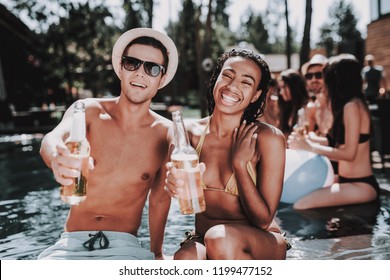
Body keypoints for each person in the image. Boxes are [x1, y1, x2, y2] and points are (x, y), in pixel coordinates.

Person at [37, 28, 178, 259]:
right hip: (70, 244)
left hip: (125, 247)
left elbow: (160, 199)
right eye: (133, 63)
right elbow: (52, 139)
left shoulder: (166, 133)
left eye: (152, 68)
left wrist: (158, 252)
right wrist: (56, 156)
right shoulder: (88, 110)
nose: (140, 73)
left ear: (161, 79)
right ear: (121, 68)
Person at [165, 48, 289, 260]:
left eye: (246, 82)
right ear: (216, 79)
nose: (232, 86)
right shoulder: (187, 135)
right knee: (185, 258)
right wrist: (172, 184)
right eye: (228, 75)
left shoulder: (268, 139)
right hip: (204, 237)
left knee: (219, 238)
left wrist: (240, 165)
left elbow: (263, 220)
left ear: (256, 95)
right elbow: (165, 192)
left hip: (261, 241)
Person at [288, 54, 380, 210]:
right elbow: (339, 143)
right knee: (299, 198)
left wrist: (309, 146)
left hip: (360, 184)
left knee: (301, 205)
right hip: (345, 180)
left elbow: (349, 154)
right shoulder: (353, 104)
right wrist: (307, 141)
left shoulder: (352, 106)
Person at [301, 54, 333, 137]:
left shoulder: (336, 104)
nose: (313, 79)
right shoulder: (313, 107)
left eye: (319, 75)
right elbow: (308, 133)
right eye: (309, 76)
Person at [277, 69, 314, 137]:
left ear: (294, 87)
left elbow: (308, 136)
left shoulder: (308, 108)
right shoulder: (287, 108)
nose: (281, 92)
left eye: (284, 87)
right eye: (280, 88)